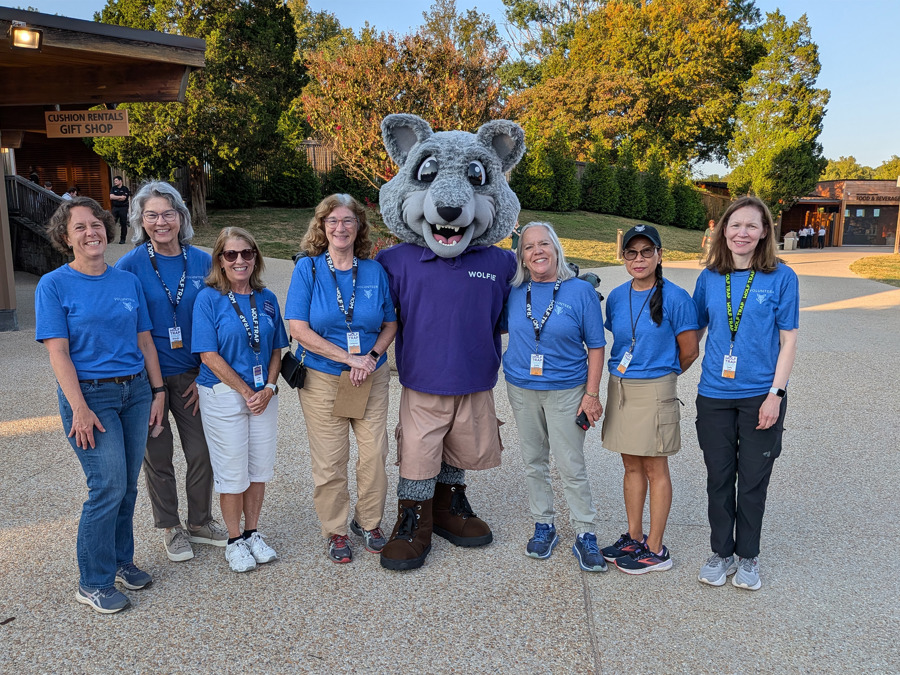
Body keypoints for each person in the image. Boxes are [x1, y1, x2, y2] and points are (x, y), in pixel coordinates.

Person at [35, 197, 166, 614]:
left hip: (136, 392)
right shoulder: (53, 285)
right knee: (105, 485)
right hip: (90, 397)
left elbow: (145, 339)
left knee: (126, 484)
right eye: (80, 227)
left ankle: (121, 562)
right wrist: (79, 408)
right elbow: (58, 353)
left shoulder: (126, 281)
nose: (91, 232)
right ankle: (92, 581)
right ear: (65, 236)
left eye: (96, 224)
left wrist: (158, 391)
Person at [116, 181, 227, 563]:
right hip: (149, 382)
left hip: (196, 376)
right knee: (157, 457)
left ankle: (200, 521)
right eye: (151, 215)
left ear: (181, 217)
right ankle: (170, 526)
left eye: (168, 214)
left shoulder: (202, 262)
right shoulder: (128, 267)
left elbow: (220, 316)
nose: (161, 222)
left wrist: (207, 374)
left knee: (202, 452)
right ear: (140, 221)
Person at [693, 196, 799, 591]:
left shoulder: (781, 277)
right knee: (719, 478)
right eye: (735, 225)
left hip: (760, 396)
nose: (742, 233)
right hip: (714, 395)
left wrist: (776, 394)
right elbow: (694, 330)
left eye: (751, 226)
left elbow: (788, 341)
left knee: (752, 480)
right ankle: (721, 553)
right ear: (723, 230)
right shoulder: (709, 277)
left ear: (765, 231)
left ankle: (748, 557)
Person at [285, 194, 398, 564]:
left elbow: (390, 322)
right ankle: (334, 529)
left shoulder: (374, 271)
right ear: (321, 226)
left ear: (359, 227)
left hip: (370, 377)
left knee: (374, 453)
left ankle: (369, 522)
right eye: (332, 220)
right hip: (322, 378)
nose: (340, 227)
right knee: (330, 460)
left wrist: (372, 358)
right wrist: (350, 358)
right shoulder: (309, 270)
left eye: (348, 220)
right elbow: (298, 328)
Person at [502, 222, 607, 571]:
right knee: (534, 461)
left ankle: (585, 532)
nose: (537, 252)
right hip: (521, 388)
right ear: (522, 256)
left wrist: (591, 394)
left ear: (556, 249)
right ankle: (543, 524)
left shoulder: (579, 292)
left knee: (570, 465)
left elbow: (596, 346)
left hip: (566, 390)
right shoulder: (516, 291)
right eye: (529, 247)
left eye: (543, 244)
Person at [600, 224, 699, 574]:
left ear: (659, 255)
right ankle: (634, 534)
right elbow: (621, 336)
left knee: (655, 467)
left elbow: (688, 352)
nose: (638, 259)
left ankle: (656, 549)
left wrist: (660, 378)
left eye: (646, 252)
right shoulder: (616, 296)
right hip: (621, 386)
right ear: (623, 257)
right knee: (630, 465)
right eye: (631, 252)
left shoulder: (675, 298)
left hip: (655, 389)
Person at [192, 227, 288, 573]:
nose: (239, 260)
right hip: (224, 395)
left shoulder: (266, 298)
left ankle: (252, 533)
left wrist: (269, 389)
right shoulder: (208, 298)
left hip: (263, 395)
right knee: (233, 473)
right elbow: (208, 355)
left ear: (255, 257)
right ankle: (234, 541)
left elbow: (277, 348)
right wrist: (247, 392)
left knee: (259, 469)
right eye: (231, 254)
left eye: (246, 253)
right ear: (220, 259)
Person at [110, 175, 131, 244]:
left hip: (123, 208)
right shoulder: (113, 188)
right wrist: (119, 197)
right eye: (114, 181)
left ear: (120, 181)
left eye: (116, 181)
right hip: (115, 207)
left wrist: (116, 197)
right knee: (111, 223)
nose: (115, 182)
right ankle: (109, 238)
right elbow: (111, 197)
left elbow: (124, 198)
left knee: (123, 224)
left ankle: (122, 239)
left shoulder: (125, 189)